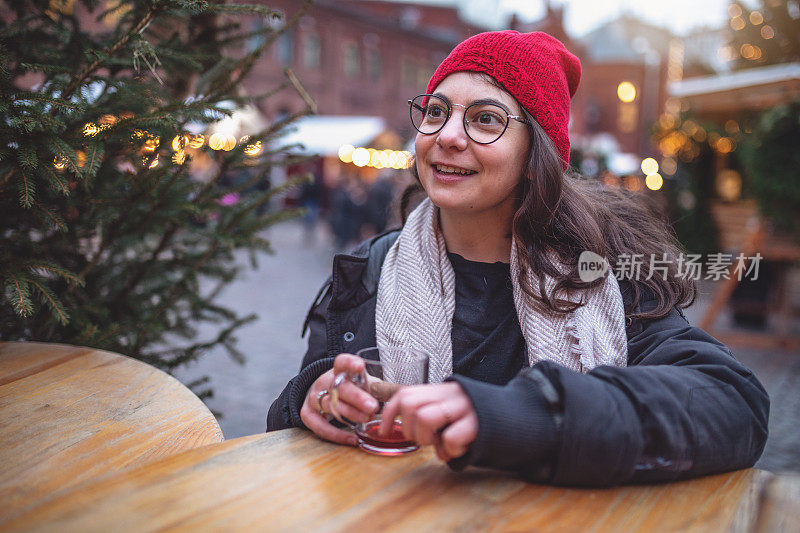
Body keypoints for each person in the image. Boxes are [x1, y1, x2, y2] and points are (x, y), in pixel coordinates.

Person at [267, 31, 769, 487]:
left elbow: (734, 405)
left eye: (485, 119)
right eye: (436, 111)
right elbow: (293, 426)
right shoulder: (369, 272)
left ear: (536, 158)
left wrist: (527, 416)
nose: (447, 136)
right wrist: (312, 398)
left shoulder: (603, 276)